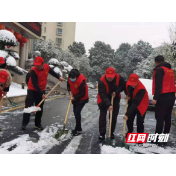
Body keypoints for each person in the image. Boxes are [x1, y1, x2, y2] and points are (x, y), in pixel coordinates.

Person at [21, 56, 63, 130]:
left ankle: (37, 124)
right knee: (28, 107)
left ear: (43, 63)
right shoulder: (34, 70)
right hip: (32, 89)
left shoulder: (47, 67)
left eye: (38, 65)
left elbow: (52, 72)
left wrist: (59, 77)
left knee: (39, 107)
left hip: (42, 88)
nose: (37, 66)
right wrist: (42, 94)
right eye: (36, 64)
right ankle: (24, 123)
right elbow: (35, 84)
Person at [151, 55, 175, 146]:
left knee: (160, 118)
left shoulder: (159, 70)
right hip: (172, 96)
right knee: (167, 118)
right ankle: (164, 139)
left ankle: (157, 139)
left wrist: (155, 98)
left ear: (156, 62)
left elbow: (158, 85)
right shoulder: (170, 70)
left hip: (162, 97)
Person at [97, 67, 126, 140]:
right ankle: (102, 133)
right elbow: (102, 94)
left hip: (115, 98)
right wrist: (109, 105)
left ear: (114, 75)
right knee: (103, 115)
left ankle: (111, 132)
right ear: (105, 75)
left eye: (111, 77)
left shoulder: (119, 78)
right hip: (103, 99)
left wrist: (116, 91)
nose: (110, 79)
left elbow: (123, 86)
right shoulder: (101, 81)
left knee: (113, 116)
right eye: (108, 77)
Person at [123, 74, 149, 138]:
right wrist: (128, 96)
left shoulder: (141, 89)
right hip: (133, 102)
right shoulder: (128, 84)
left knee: (139, 121)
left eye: (133, 83)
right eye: (131, 83)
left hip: (142, 104)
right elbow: (128, 91)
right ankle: (130, 131)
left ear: (137, 81)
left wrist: (127, 114)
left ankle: (140, 138)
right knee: (129, 119)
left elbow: (136, 102)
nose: (132, 85)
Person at [67, 69, 89, 136]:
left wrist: (74, 97)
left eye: (73, 78)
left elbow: (83, 93)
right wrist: (69, 91)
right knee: (75, 112)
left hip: (82, 98)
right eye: (70, 78)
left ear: (76, 77)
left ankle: (78, 129)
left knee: (77, 112)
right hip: (75, 97)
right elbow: (68, 85)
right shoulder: (69, 78)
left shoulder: (81, 80)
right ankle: (78, 128)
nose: (71, 79)